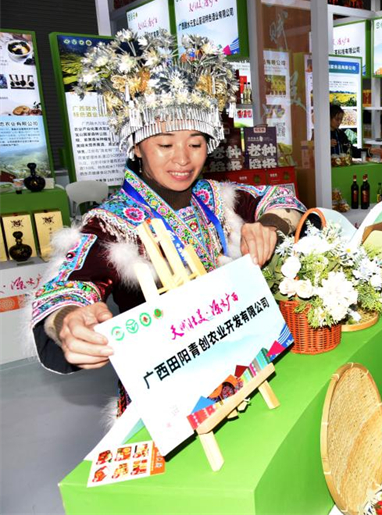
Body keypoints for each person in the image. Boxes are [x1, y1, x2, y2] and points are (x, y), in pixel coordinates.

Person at [27, 29, 306, 413]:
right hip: (168, 397)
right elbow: (66, 287)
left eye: (195, 143)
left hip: (241, 368)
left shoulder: (215, 196)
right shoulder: (111, 223)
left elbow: (283, 200)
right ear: (136, 145)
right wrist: (68, 321)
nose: (183, 159)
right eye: (164, 143)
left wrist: (269, 226)